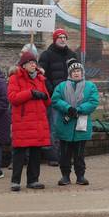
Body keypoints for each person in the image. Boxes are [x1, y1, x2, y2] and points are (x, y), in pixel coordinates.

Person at [7, 50, 51, 190]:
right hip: (23, 121)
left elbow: (47, 100)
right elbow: (13, 98)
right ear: (24, 65)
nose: (33, 65)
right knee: (19, 153)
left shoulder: (40, 78)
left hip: (38, 121)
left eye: (35, 63)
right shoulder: (15, 78)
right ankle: (15, 181)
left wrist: (44, 96)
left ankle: (33, 180)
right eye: (31, 63)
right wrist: (30, 93)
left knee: (36, 152)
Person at [51, 59, 100, 186]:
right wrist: (68, 108)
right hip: (65, 124)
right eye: (74, 71)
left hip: (81, 124)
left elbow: (93, 102)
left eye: (78, 71)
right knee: (65, 153)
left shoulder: (90, 86)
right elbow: (55, 100)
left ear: (82, 72)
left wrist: (79, 109)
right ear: (70, 73)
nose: (76, 73)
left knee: (79, 154)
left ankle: (80, 176)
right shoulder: (61, 86)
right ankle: (65, 176)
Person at [38, 28, 78, 166]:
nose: (62, 39)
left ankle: (67, 155)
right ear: (55, 39)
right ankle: (53, 156)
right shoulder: (46, 55)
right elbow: (42, 76)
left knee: (69, 125)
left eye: (64, 37)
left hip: (70, 97)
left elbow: (78, 73)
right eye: (60, 37)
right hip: (54, 98)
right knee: (54, 126)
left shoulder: (72, 55)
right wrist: (52, 90)